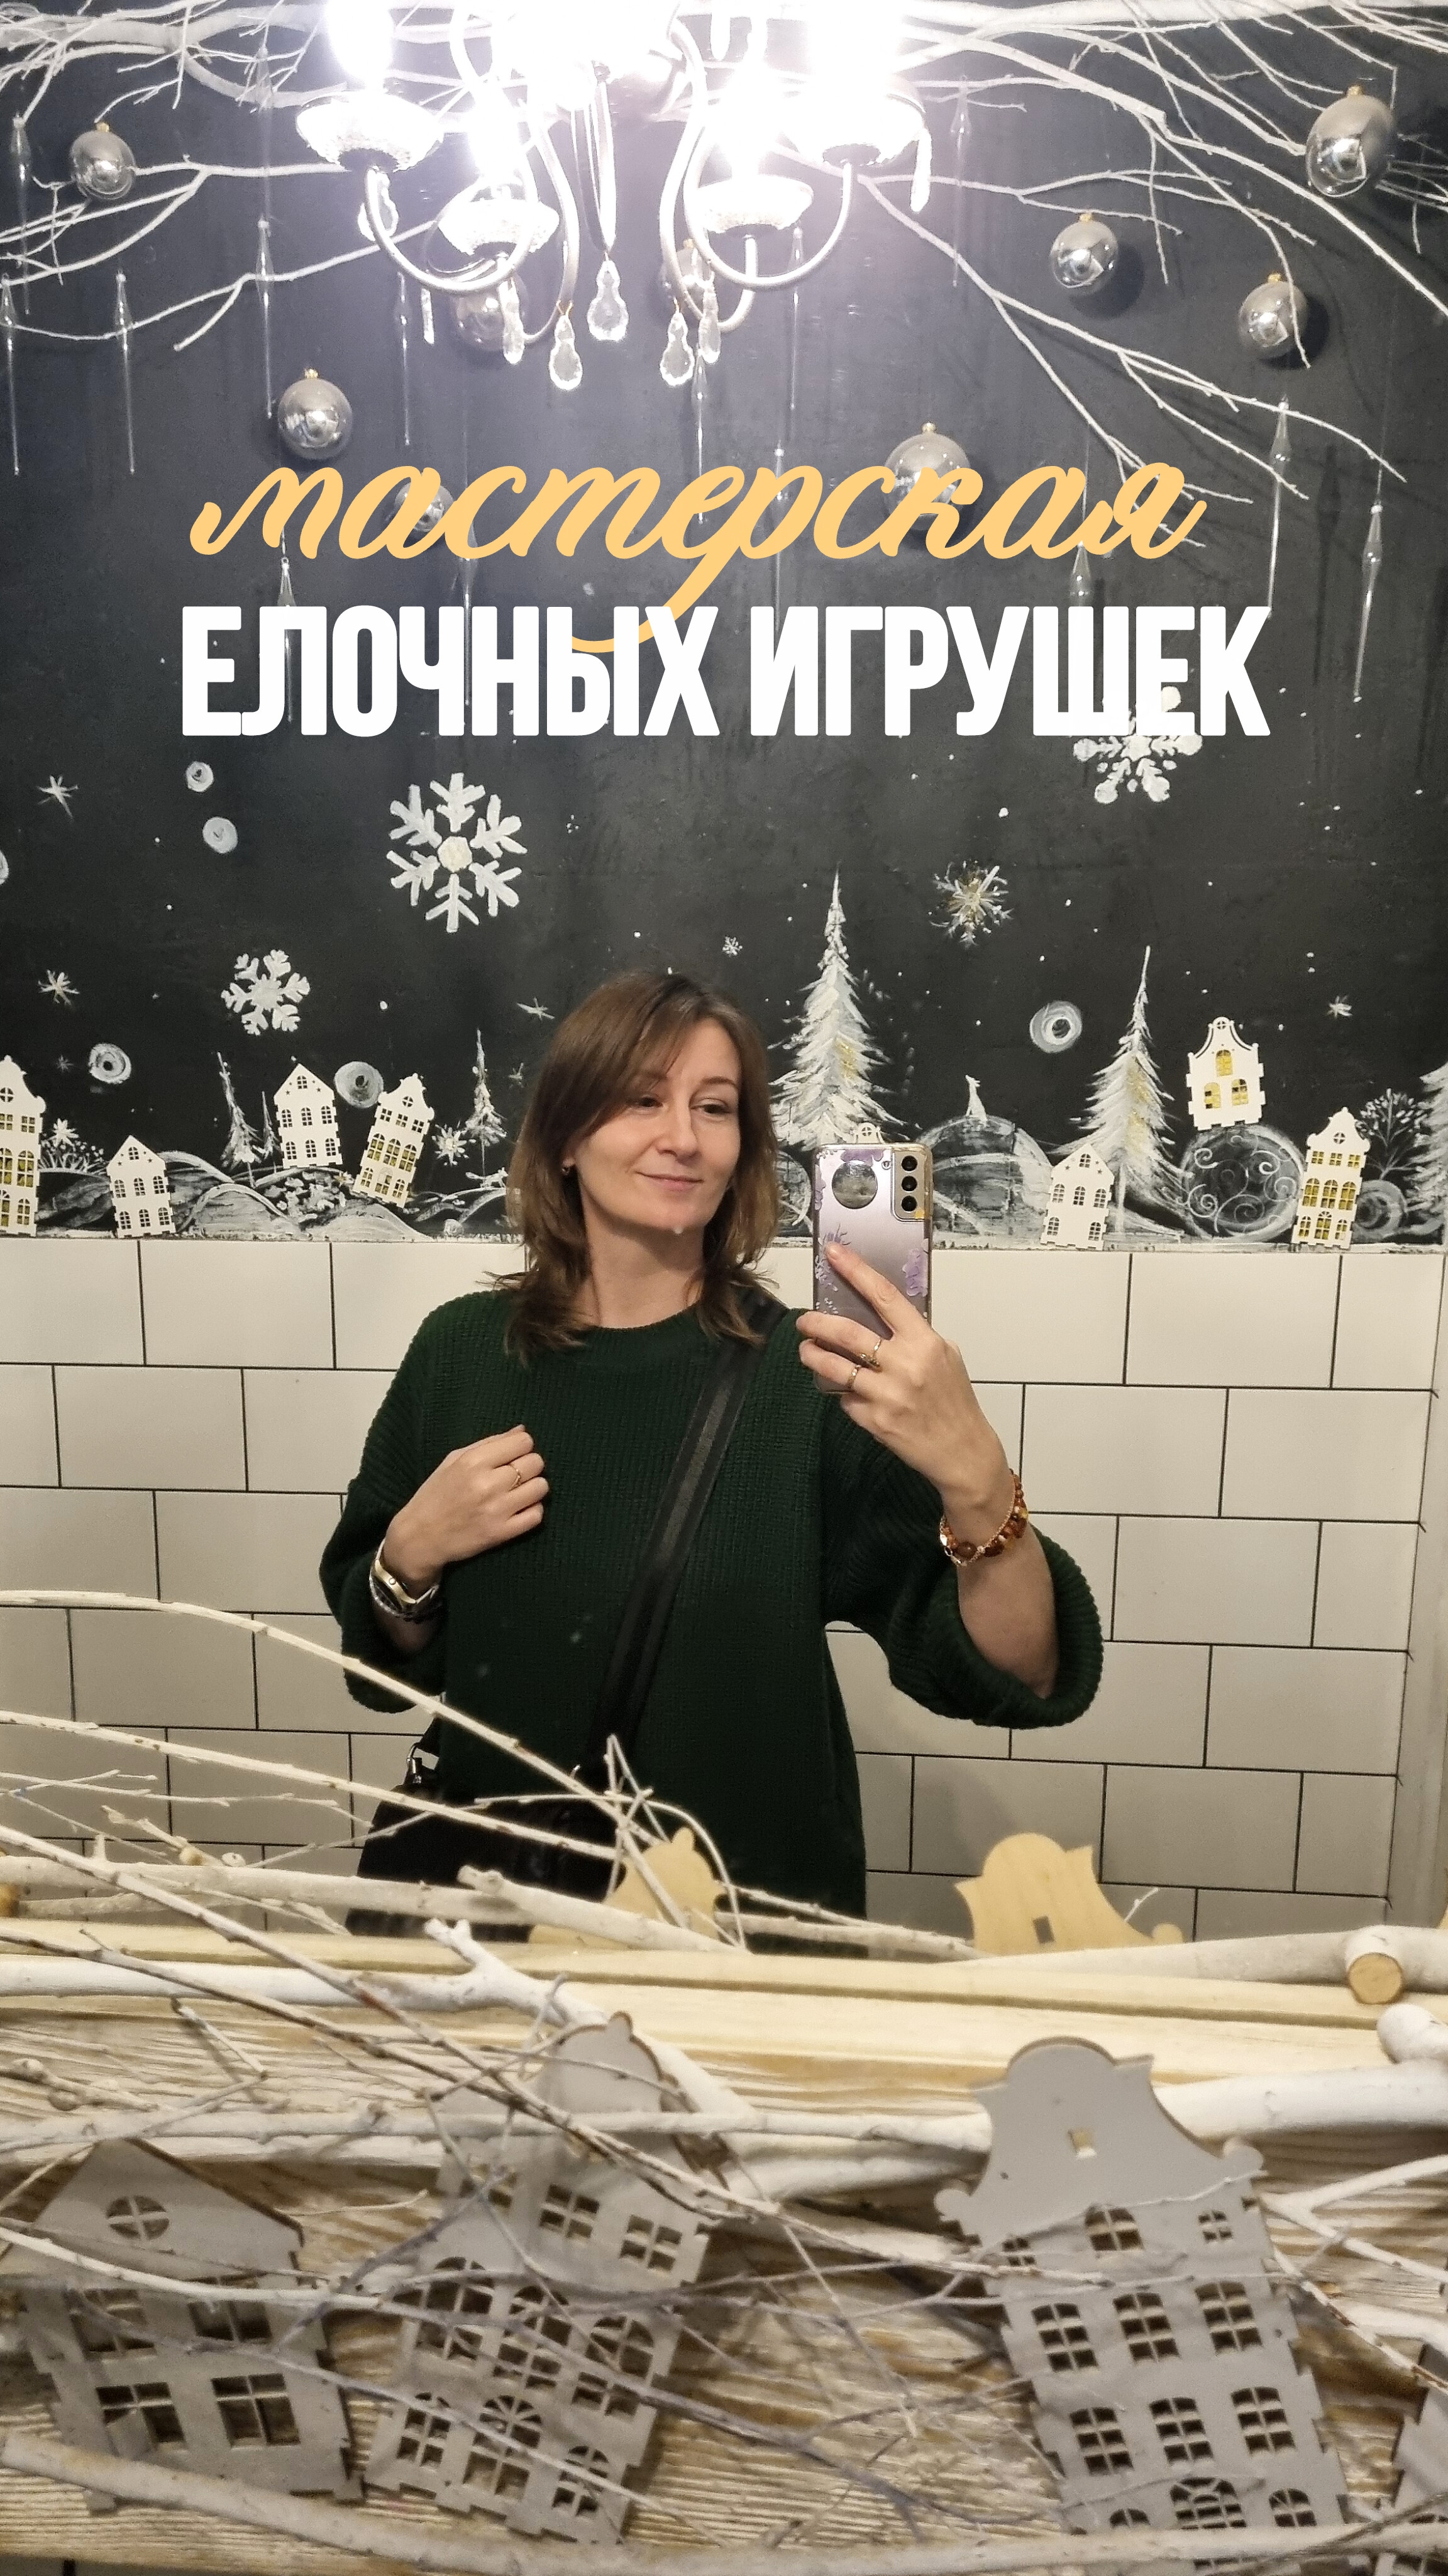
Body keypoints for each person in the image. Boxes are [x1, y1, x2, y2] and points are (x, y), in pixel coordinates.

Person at [321, 971, 1102, 1916]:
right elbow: (385, 1666)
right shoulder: (459, 1355)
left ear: (743, 1151)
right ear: (565, 1136)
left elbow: (1022, 1674)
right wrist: (408, 1557)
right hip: (497, 1922)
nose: (684, 1138)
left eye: (715, 1107)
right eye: (642, 1099)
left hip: (740, 1928)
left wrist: (978, 1477)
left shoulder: (811, 1378)